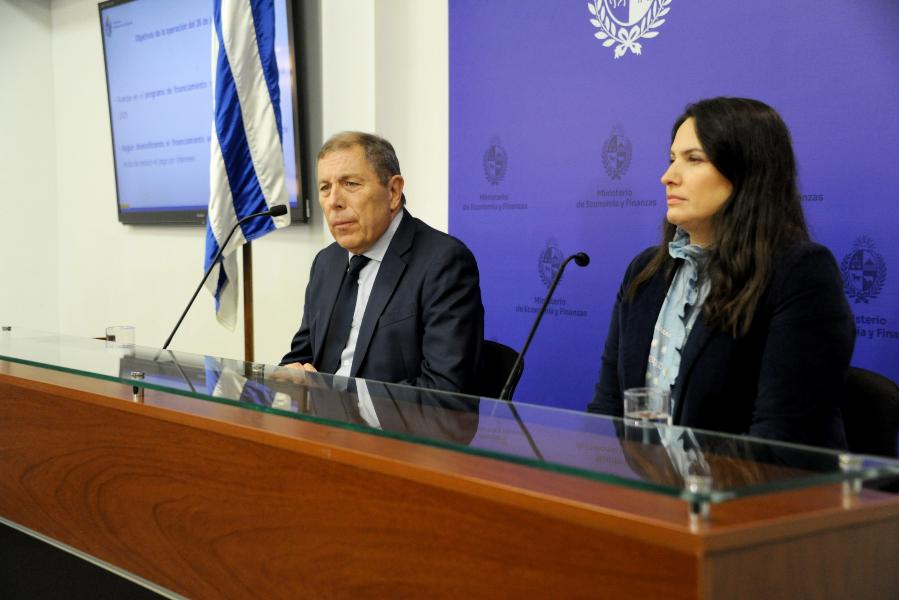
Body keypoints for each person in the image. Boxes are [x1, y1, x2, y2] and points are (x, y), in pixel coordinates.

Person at [587, 97, 855, 449]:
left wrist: (675, 487)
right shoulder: (645, 272)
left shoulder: (800, 273)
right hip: (647, 494)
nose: (668, 177)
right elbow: (607, 409)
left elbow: (782, 442)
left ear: (747, 171)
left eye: (694, 159)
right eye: (671, 160)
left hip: (752, 498)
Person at [281, 132, 484, 394]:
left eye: (351, 184)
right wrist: (289, 376)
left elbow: (444, 390)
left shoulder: (444, 263)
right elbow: (299, 358)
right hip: (323, 427)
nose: (334, 202)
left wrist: (343, 401)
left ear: (393, 191)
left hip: (394, 431)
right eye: (324, 188)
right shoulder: (326, 262)